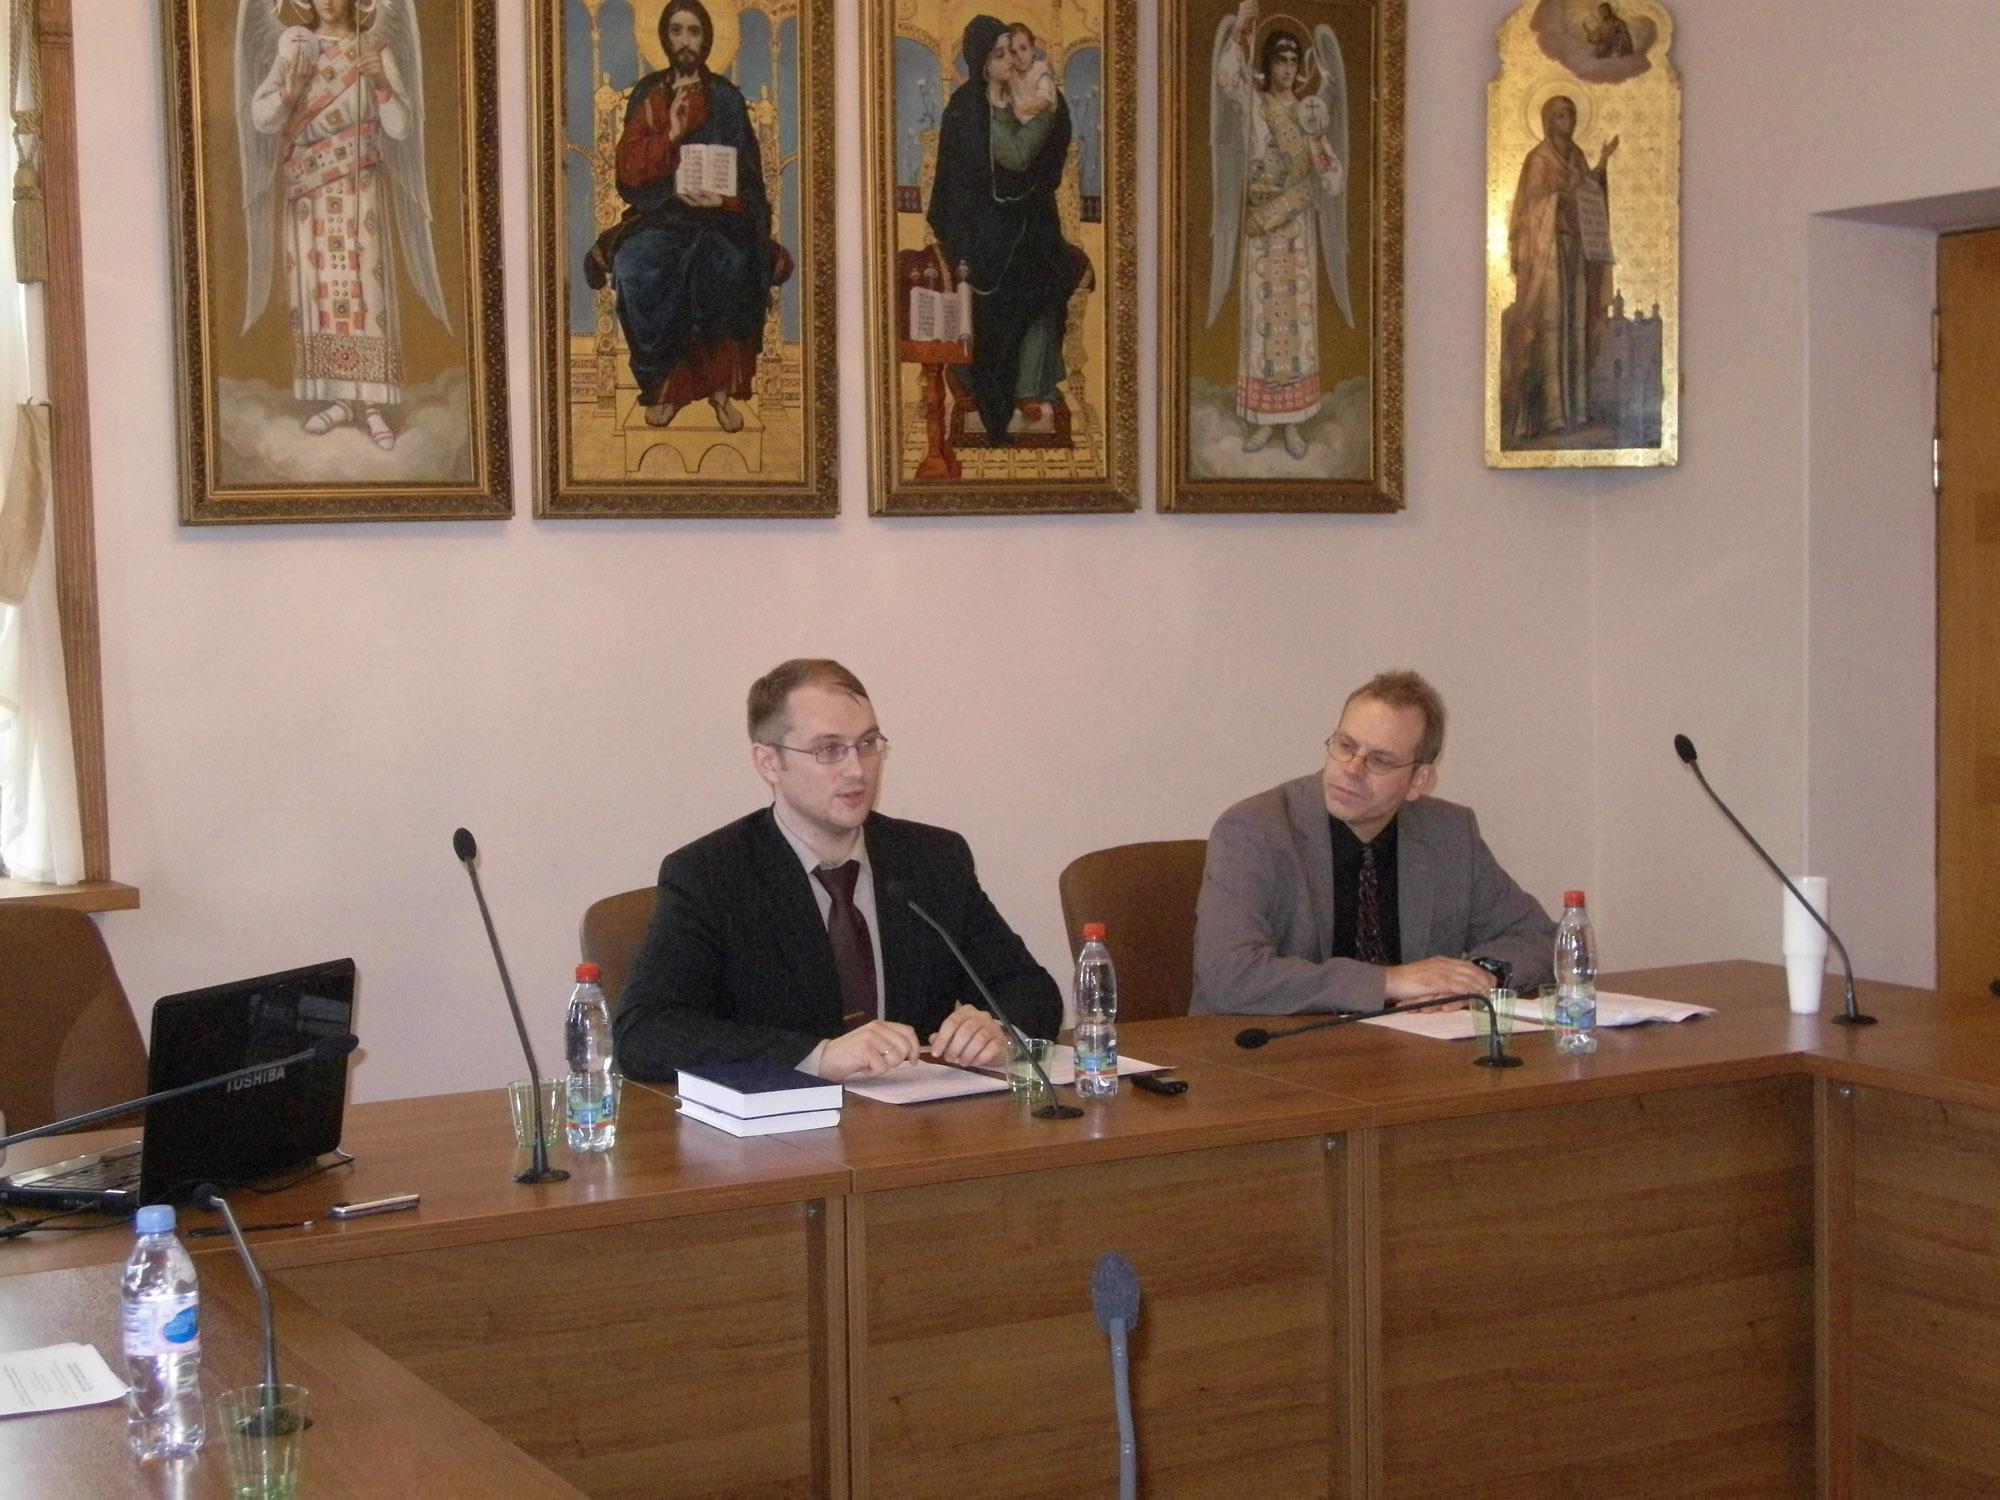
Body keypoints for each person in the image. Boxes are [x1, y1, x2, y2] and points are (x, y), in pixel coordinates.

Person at [614, 659, 1063, 1081]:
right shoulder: (712, 875)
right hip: (784, 1128)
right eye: (829, 749)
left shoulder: (931, 859)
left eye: (867, 744)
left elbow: (1030, 989)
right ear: (769, 762)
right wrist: (817, 1056)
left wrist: (996, 1029)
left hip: (921, 1119)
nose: (857, 770)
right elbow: (645, 1032)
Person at [1191, 670, 1555, 1015]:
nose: (1351, 768)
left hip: (1410, 1047)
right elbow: (1229, 973)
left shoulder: (1449, 835)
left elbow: (1538, 937)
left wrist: (1477, 976)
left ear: (1418, 780)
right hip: (1272, 1048)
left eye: (1380, 760)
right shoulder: (1255, 831)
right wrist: (1389, 981)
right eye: (1345, 745)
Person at [240, 0, 446, 452]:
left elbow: (400, 127)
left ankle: (371, 405)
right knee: (319, 292)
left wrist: (380, 83)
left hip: (359, 187)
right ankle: (337, 401)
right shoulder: (295, 43)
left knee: (364, 290)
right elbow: (262, 117)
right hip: (309, 189)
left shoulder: (374, 48)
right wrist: (290, 91)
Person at [600, 1, 775, 432]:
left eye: (693, 31)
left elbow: (750, 179)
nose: (684, 41)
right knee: (633, 266)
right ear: (665, 37)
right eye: (676, 31)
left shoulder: (726, 99)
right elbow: (628, 170)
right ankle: (666, 389)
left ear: (706, 39)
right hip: (663, 216)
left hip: (722, 219)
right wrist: (671, 135)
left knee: (726, 264)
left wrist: (723, 202)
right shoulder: (650, 94)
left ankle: (720, 393)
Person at [926, 15, 1082, 444]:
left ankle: (1032, 388)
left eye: (1013, 51)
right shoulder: (965, 108)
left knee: (1045, 276)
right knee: (984, 287)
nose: (1010, 61)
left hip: (1030, 221)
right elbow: (967, 179)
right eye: (999, 55)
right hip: (979, 232)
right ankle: (974, 385)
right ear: (982, 63)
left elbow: (1038, 160)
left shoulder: (1034, 94)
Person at [1208, 1, 1348, 462]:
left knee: (1295, 325)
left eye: (1292, 60)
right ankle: (1263, 422)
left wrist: (1322, 152)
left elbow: (1332, 177)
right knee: (1263, 324)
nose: (1287, 69)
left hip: (1296, 233)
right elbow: (1226, 75)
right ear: (1267, 65)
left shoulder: (1309, 112)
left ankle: (1292, 423)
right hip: (1262, 233)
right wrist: (1242, 26)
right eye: (1279, 60)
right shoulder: (1254, 104)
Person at [1502, 94, 1620, 442]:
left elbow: (1587, 193)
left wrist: (1600, 169)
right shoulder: (1538, 159)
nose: (1567, 122)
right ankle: (1552, 414)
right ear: (1547, 121)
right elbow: (1528, 211)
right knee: (1551, 326)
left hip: (1575, 251)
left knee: (1576, 325)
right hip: (1547, 253)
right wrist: (1560, 197)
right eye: (1560, 116)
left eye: (1570, 115)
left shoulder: (1577, 156)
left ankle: (1577, 409)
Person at [1003, 24, 1057, 124]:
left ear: (1032, 49)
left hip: (1040, 122)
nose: (1019, 56)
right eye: (1013, 52)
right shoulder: (1011, 74)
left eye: (1023, 48)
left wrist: (1023, 108)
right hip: (1018, 123)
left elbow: (1044, 99)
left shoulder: (1039, 69)